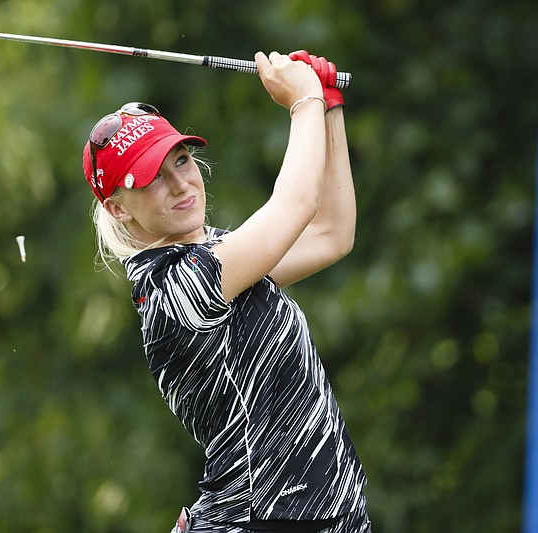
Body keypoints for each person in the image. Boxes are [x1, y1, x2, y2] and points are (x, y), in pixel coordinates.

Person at [81, 50, 371, 533]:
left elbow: (330, 234)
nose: (180, 183)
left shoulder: (221, 254)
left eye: (181, 160)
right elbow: (295, 204)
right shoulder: (174, 288)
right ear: (119, 210)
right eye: (153, 179)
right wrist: (302, 102)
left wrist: (328, 105)